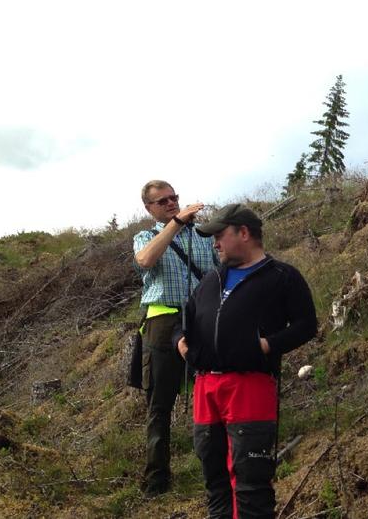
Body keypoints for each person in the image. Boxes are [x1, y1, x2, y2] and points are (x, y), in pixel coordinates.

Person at [174, 204, 317, 519]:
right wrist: (181, 343)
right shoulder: (211, 280)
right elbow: (184, 320)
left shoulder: (282, 276)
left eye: (219, 235)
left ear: (244, 232)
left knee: (250, 480)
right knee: (215, 478)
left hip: (250, 385)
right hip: (205, 386)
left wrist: (267, 345)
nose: (215, 243)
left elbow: (307, 325)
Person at [132, 179, 219, 496]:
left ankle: (217, 466)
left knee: (212, 392)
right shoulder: (147, 236)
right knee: (160, 402)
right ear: (149, 209)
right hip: (164, 322)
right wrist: (176, 222)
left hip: (202, 320)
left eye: (174, 198)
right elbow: (145, 260)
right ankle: (156, 479)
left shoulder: (203, 236)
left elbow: (219, 274)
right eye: (163, 201)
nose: (171, 203)